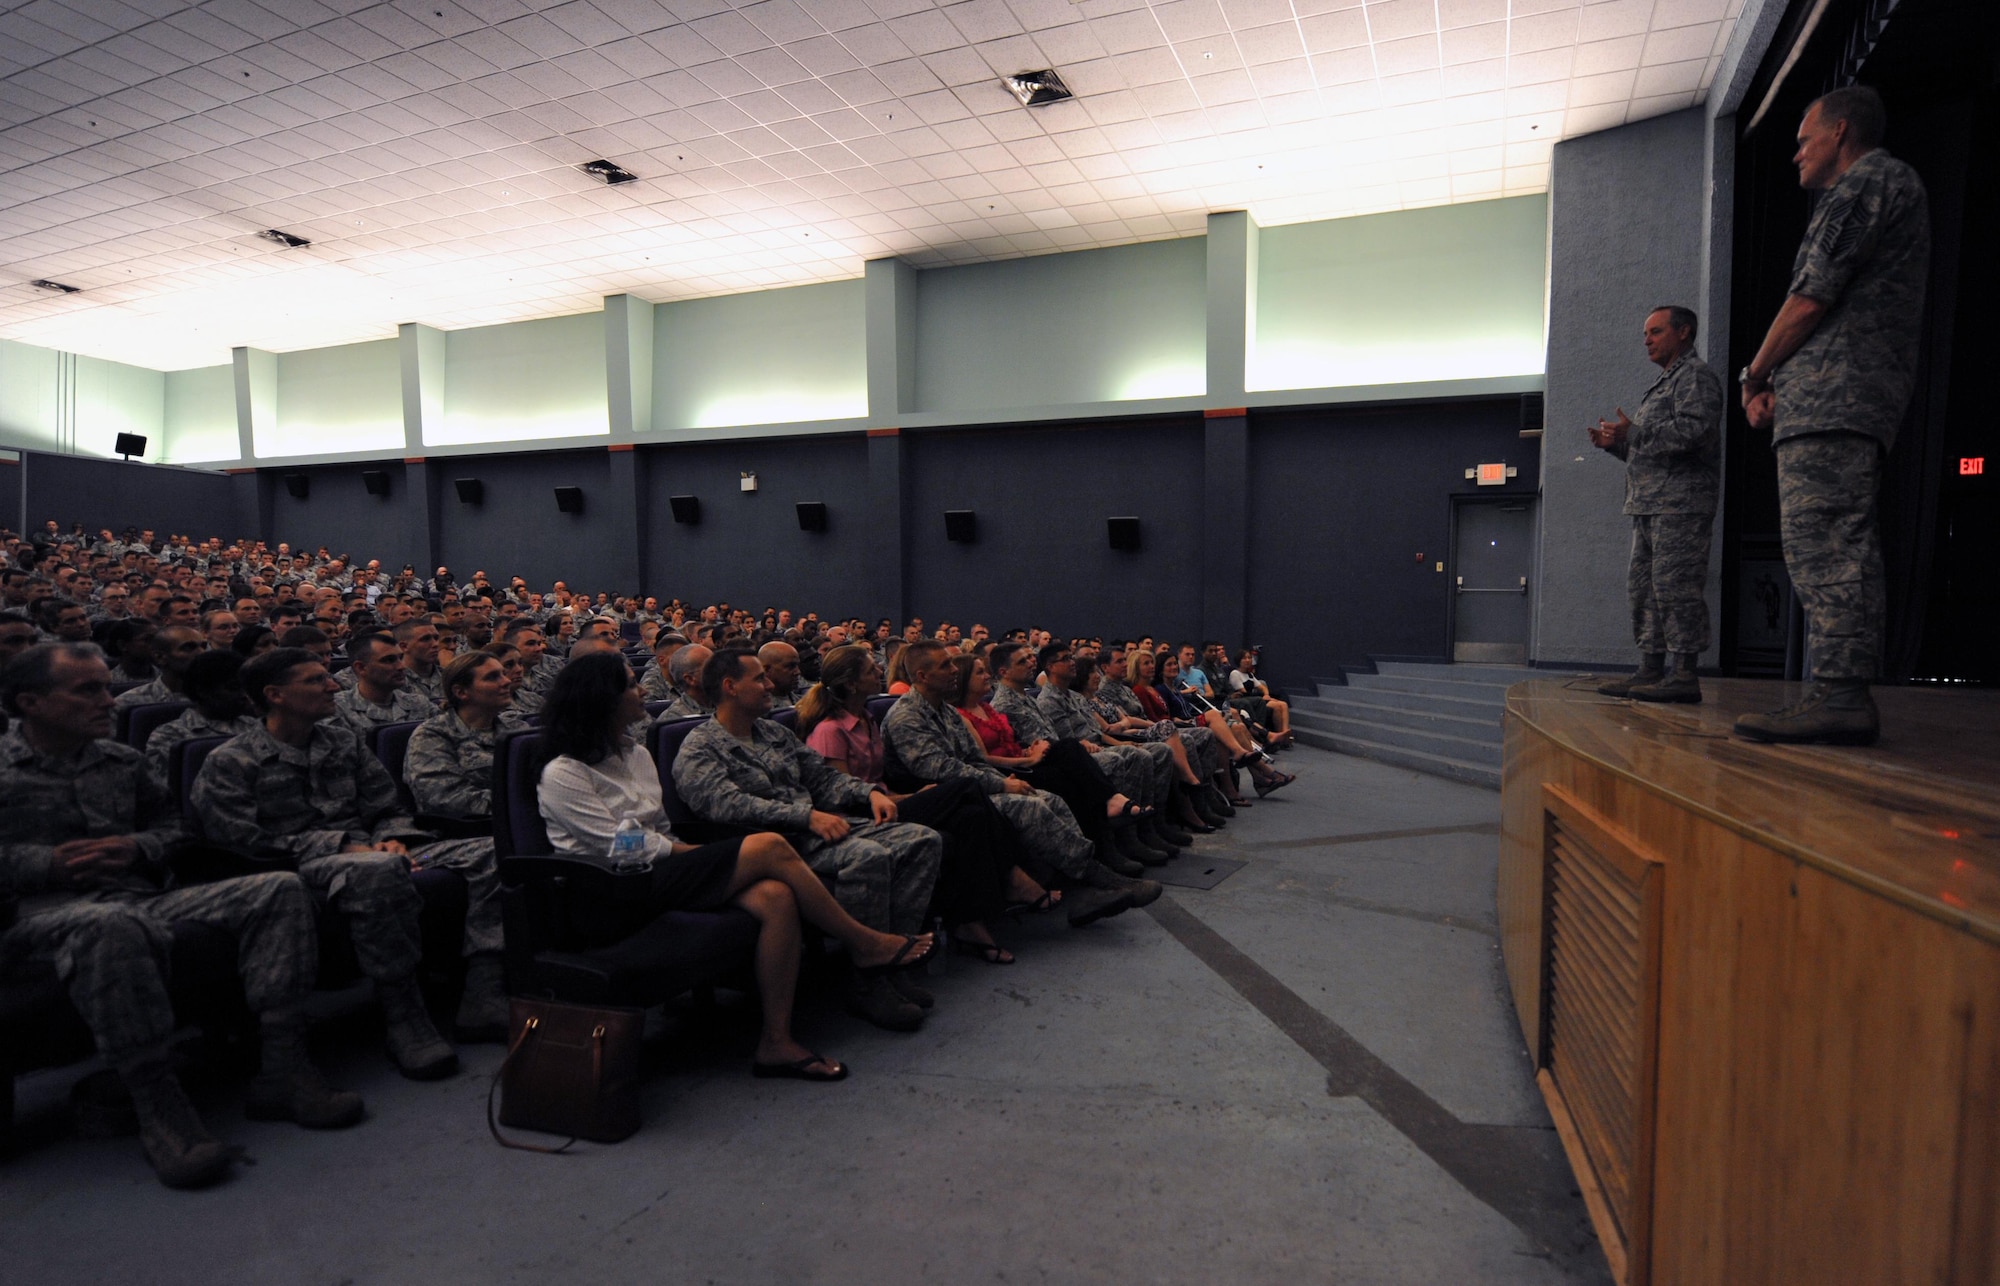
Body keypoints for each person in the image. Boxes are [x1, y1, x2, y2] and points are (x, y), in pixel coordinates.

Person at [0, 643, 362, 1189]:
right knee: (112, 927)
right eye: (88, 690)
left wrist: (138, 848)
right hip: (32, 918)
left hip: (139, 896)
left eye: (106, 685)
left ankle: (284, 1067)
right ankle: (159, 1109)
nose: (108, 699)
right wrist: (42, 863)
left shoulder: (122, 760)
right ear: (31, 702)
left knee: (277, 888)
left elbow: (174, 830)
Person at [535, 652, 934, 1081]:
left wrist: (680, 851)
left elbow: (659, 824)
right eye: (632, 685)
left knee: (776, 896)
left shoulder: (634, 754)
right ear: (603, 699)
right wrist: (688, 854)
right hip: (610, 889)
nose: (643, 691)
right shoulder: (563, 773)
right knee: (769, 846)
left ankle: (775, 1042)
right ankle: (865, 942)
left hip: (662, 870)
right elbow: (616, 845)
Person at [192, 647, 509, 1069]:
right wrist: (342, 845)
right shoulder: (231, 761)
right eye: (316, 680)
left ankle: (482, 994)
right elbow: (238, 841)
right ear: (275, 694)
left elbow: (388, 808)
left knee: (492, 852)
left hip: (374, 849)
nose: (334, 685)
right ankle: (405, 1018)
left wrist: (392, 837)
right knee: (377, 871)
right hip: (291, 863)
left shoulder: (343, 741)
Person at [1736, 85, 1929, 745]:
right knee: (1822, 543)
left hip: (1840, 398)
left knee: (1829, 543)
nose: (1794, 154)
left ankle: (1843, 696)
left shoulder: (1864, 184)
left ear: (1839, 130)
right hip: (1834, 395)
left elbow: (1810, 300)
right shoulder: (1878, 188)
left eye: (1803, 138)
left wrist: (1755, 373)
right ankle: (1836, 690)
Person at [675, 649, 945, 1029]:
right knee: (866, 856)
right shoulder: (699, 746)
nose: (770, 685)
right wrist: (804, 816)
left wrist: (868, 793)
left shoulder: (772, 731)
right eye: (759, 679)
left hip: (815, 828)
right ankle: (865, 982)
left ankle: (890, 965)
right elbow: (725, 806)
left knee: (923, 841)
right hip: (771, 845)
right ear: (730, 687)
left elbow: (821, 776)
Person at [796, 644, 1054, 964]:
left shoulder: (865, 718)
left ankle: (968, 924)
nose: (880, 670)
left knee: (969, 815)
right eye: (869, 670)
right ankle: (1012, 876)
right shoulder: (830, 730)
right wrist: (911, 798)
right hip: (864, 817)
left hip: (887, 802)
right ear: (850, 684)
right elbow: (844, 795)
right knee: (964, 787)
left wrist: (910, 797)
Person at [884, 640, 1156, 925]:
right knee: (1030, 807)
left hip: (971, 788)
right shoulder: (906, 716)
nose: (955, 669)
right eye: (945, 665)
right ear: (921, 676)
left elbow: (975, 760)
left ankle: (1082, 883)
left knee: (1051, 799)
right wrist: (1002, 785)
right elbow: (939, 769)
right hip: (939, 800)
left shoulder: (945, 711)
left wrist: (1004, 779)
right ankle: (1101, 881)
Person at [1589, 305, 1726, 703]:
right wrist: (1618, 444)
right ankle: (1650, 669)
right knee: (1644, 591)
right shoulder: (1664, 383)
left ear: (1683, 332)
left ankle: (1684, 674)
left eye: (1655, 331)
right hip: (1649, 505)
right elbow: (1651, 449)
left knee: (1676, 588)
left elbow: (1695, 432)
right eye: (1645, 333)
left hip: (1681, 506)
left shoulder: (1696, 377)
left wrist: (1636, 432)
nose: (1646, 340)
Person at [403, 651, 526, 818]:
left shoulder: (518, 728)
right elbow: (447, 800)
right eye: (492, 677)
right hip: (464, 832)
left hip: (521, 821)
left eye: (503, 674)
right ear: (461, 692)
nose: (506, 681)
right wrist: (528, 802)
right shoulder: (431, 736)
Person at [143, 648, 259, 778]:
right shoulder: (169, 735)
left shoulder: (255, 725)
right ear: (202, 691)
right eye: (233, 688)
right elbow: (167, 791)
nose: (244, 695)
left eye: (245, 688)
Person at [330, 631, 436, 735]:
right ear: (361, 668)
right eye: (389, 660)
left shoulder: (419, 703)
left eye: (400, 658)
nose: (401, 667)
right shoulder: (336, 709)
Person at [111, 625, 206, 708]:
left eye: (203, 646)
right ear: (160, 657)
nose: (201, 653)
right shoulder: (128, 703)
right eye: (188, 648)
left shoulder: (214, 698)